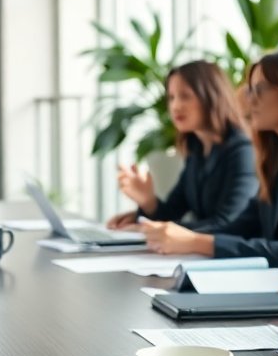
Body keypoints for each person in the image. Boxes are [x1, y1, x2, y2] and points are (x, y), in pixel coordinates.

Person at [137, 49, 278, 279]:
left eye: (260, 89)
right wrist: (173, 235)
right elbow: (241, 226)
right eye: (251, 90)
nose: (250, 100)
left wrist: (195, 241)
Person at [107, 61, 257, 233]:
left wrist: (151, 229)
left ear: (211, 96)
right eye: (171, 97)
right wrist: (148, 202)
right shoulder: (197, 150)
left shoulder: (243, 151)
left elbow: (228, 223)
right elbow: (173, 211)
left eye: (185, 96)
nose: (175, 106)